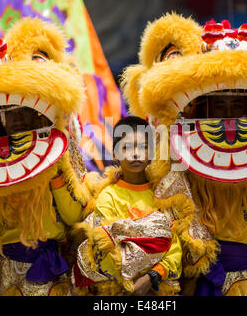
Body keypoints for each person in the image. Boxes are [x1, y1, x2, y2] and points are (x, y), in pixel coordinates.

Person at [72, 116, 182, 295]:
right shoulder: (108, 196)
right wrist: (131, 283)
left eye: (143, 147)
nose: (135, 154)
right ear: (115, 153)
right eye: (127, 147)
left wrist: (153, 275)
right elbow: (103, 251)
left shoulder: (162, 195)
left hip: (157, 287)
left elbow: (175, 246)